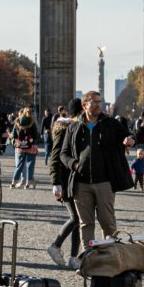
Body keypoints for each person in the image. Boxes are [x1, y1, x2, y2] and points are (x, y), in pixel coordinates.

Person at [60, 90, 135, 248]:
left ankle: (109, 257)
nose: (98, 105)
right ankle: (89, 259)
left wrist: (130, 140)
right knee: (86, 224)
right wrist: (74, 164)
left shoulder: (111, 124)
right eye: (94, 102)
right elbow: (63, 153)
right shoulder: (73, 127)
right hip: (81, 184)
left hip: (105, 183)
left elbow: (129, 135)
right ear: (84, 104)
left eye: (100, 102)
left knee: (108, 224)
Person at [46, 101, 83, 269]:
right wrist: (56, 183)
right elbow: (55, 157)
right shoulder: (64, 129)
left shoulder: (76, 128)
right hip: (65, 181)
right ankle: (55, 245)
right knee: (75, 218)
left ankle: (74, 257)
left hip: (75, 179)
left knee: (78, 219)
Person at [11, 107, 39, 189]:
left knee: (19, 165)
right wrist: (34, 141)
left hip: (20, 146)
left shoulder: (18, 121)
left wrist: (15, 142)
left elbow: (14, 135)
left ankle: (14, 182)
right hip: (31, 146)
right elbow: (35, 135)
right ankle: (28, 183)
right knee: (30, 165)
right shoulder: (32, 122)